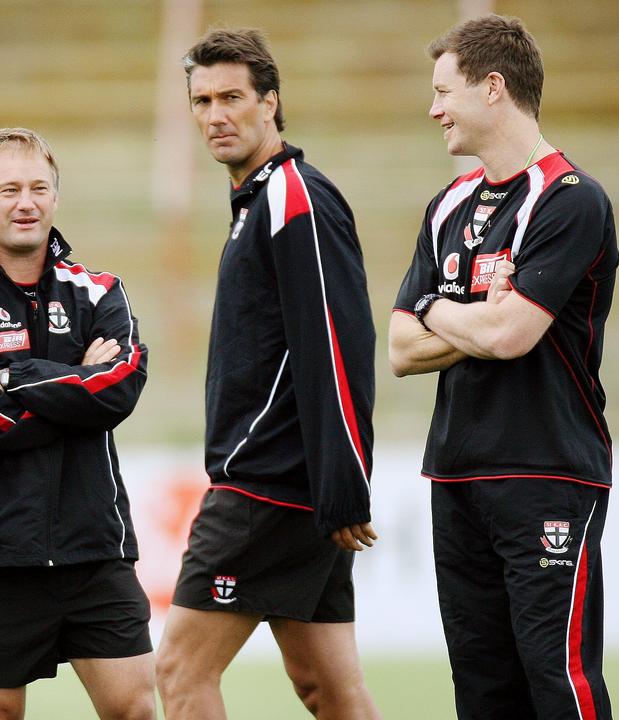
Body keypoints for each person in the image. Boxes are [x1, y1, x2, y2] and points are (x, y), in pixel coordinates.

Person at [389, 15, 617, 720]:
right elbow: (398, 349)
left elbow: (514, 334)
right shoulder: (448, 205)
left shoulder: (571, 199)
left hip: (546, 474)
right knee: (483, 692)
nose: (433, 109)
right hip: (455, 476)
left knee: (557, 682)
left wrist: (436, 306)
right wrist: (469, 314)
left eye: (443, 91)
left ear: (493, 88)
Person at [155, 29, 381, 720]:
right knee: (327, 687)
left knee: (180, 669)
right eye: (201, 101)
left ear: (270, 103)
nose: (215, 114)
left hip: (270, 483)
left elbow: (339, 343)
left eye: (232, 97)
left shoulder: (294, 197)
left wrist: (345, 484)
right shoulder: (258, 201)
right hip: (295, 485)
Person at [0, 128, 154, 720]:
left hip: (94, 548)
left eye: (39, 188)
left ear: (55, 197)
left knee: (136, 709)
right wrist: (72, 390)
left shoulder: (99, 292)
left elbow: (119, 389)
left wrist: (12, 379)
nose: (26, 202)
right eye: (10, 189)